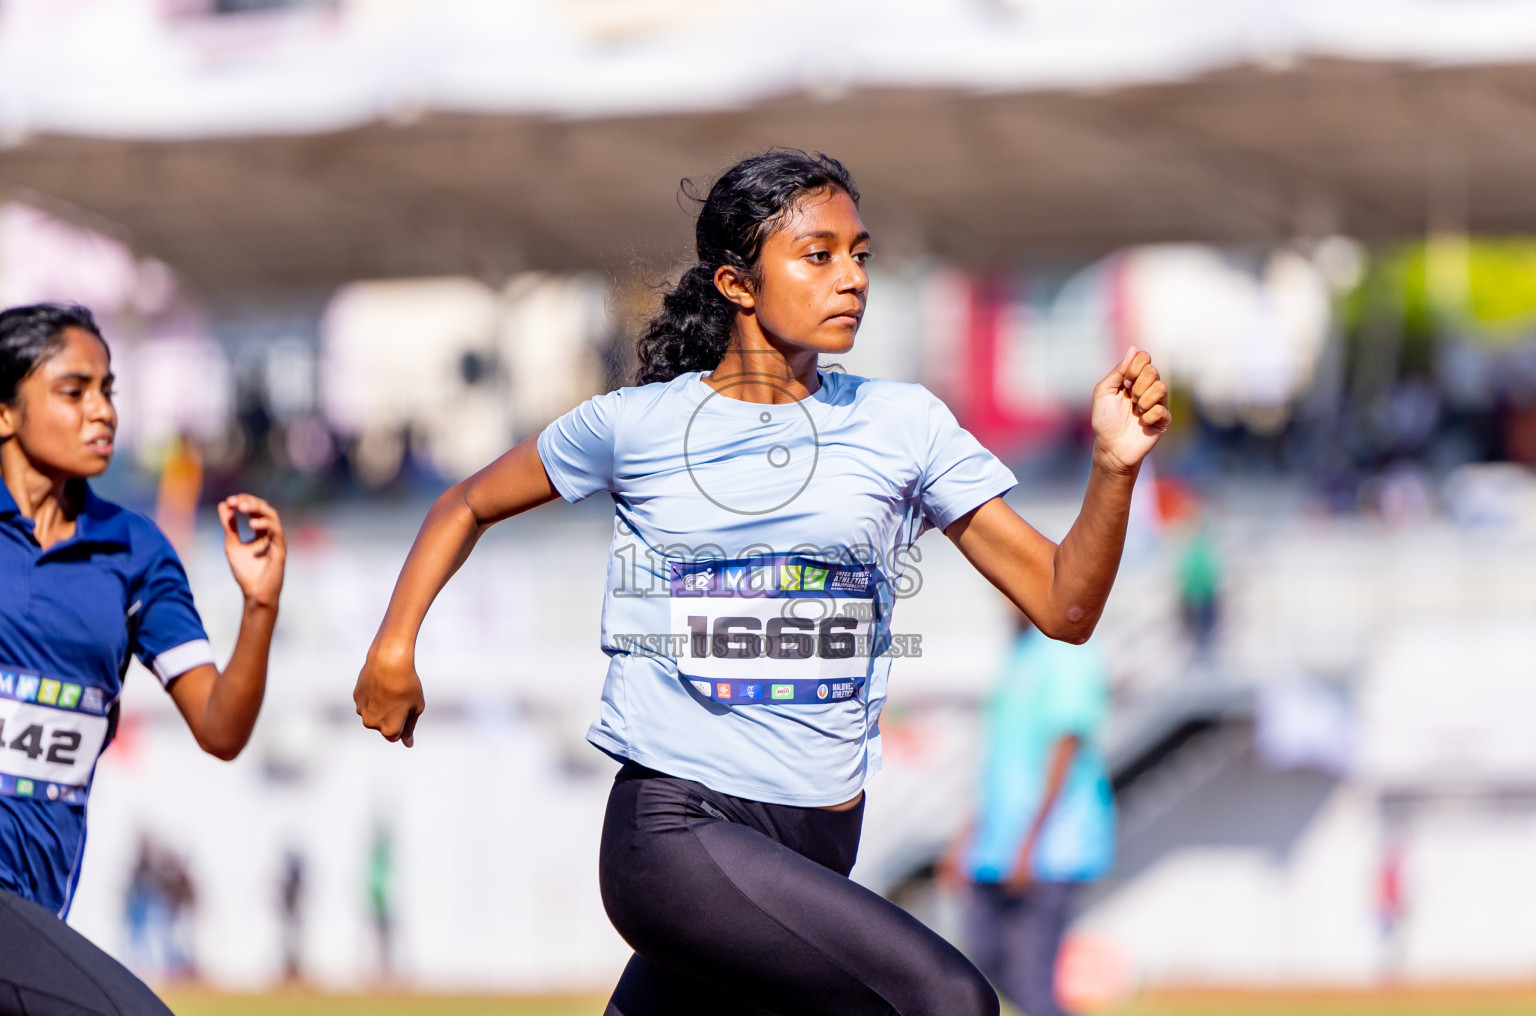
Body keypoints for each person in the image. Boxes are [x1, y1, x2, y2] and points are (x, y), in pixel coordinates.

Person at [354, 150, 1168, 1016]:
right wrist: (395, 647)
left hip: (815, 843)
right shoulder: (639, 425)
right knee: (946, 1001)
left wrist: (1114, 468)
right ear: (737, 285)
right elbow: (465, 503)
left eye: (860, 253)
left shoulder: (905, 425)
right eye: (818, 255)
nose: (851, 277)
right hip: (676, 834)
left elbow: (1063, 604)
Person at [0, 303, 286, 1014]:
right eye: (74, 391)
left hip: (35, 904)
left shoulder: (135, 551)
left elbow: (221, 728)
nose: (102, 412)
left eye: (109, 390)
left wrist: (259, 607)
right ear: (5, 413)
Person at [941, 617, 1116, 1016]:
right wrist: (965, 838)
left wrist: (1029, 842)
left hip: (1050, 847)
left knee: (1031, 979)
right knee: (983, 960)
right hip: (996, 847)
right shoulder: (1019, 651)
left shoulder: (1070, 646)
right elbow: (998, 761)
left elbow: (1065, 746)